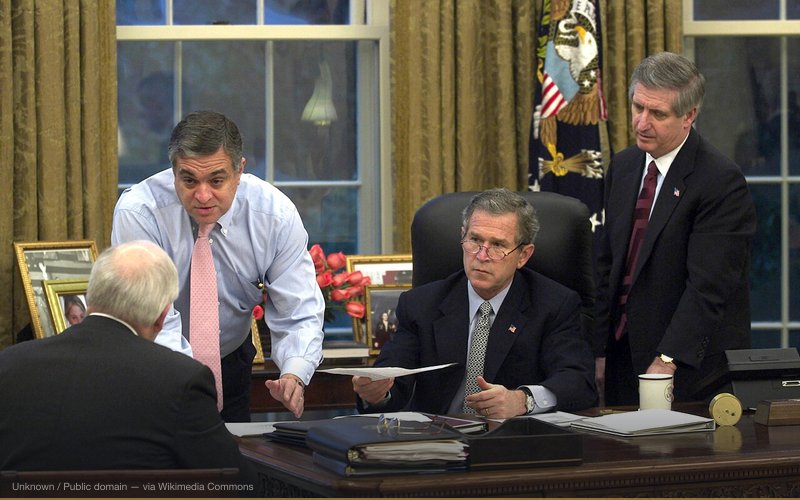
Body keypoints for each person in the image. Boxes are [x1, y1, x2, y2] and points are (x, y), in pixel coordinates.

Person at [112, 110, 324, 421]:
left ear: (239, 170)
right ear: (173, 170)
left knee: (234, 450)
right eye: (189, 180)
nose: (202, 195)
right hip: (151, 366)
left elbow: (299, 308)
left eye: (216, 180)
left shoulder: (273, 215)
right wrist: (193, 387)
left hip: (231, 360)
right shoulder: (140, 212)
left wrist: (294, 373)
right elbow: (152, 318)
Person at [0, 241, 257, 490]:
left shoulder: (9, 364)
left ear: (90, 298)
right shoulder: (181, 380)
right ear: (162, 317)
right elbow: (239, 485)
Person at [594, 52, 757, 406]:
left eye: (658, 114)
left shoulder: (720, 181)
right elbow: (607, 266)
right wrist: (598, 350)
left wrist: (667, 358)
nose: (642, 123)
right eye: (638, 107)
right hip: (623, 358)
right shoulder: (624, 166)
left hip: (687, 370)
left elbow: (708, 288)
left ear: (689, 116)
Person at [352, 188, 597, 418]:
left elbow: (578, 382)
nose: (481, 255)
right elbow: (392, 380)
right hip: (440, 438)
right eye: (475, 240)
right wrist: (377, 393)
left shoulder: (554, 304)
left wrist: (523, 400)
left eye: (498, 245)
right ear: (462, 236)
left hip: (513, 439)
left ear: (523, 255)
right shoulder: (420, 304)